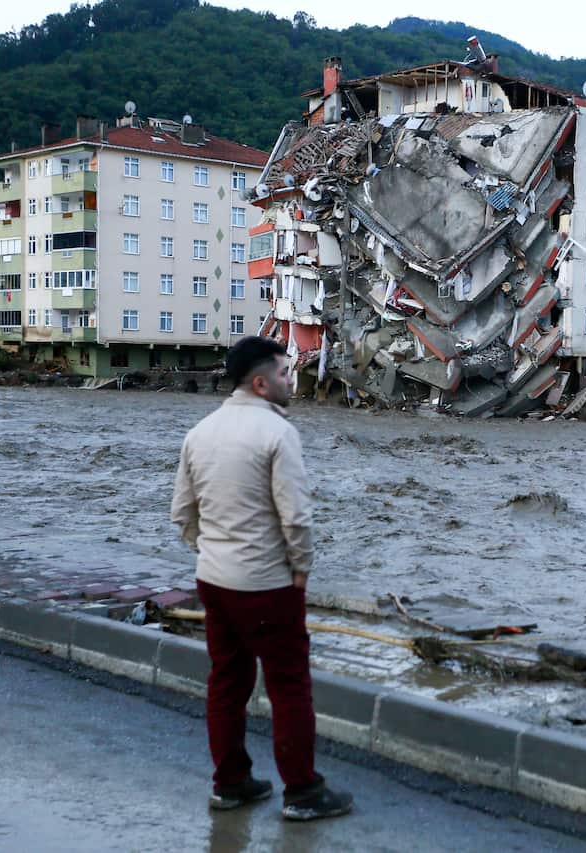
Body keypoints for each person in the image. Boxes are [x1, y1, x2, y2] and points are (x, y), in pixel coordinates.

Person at [171, 336, 352, 821]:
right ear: (259, 382)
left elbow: (182, 514)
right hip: (267, 584)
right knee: (289, 685)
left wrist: (212, 552)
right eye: (284, 372)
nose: (291, 379)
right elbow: (296, 517)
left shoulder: (200, 432)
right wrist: (300, 569)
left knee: (227, 681)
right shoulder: (277, 434)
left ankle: (230, 784)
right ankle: (302, 792)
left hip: (214, 578)